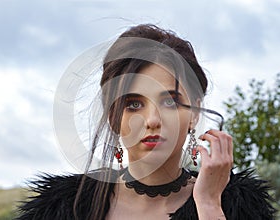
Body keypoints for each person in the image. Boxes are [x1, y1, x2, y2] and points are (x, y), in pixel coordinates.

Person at [16, 24, 276, 220]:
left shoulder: (237, 206)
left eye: (170, 102)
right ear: (114, 117)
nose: (152, 120)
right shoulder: (63, 207)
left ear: (195, 112)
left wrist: (209, 205)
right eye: (134, 104)